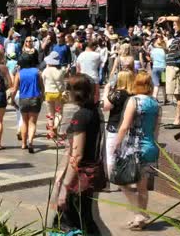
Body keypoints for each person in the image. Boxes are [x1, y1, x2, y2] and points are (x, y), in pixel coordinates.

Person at [52, 73, 107, 236]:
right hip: (87, 175)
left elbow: (76, 155)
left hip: (79, 177)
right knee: (85, 218)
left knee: (76, 221)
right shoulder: (93, 111)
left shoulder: (81, 116)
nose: (64, 93)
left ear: (74, 92)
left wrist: (64, 187)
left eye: (67, 89)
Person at [113, 71, 161, 230]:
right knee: (142, 186)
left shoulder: (133, 101)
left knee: (122, 181)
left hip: (134, 147)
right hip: (150, 147)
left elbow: (125, 126)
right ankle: (139, 219)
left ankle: (140, 214)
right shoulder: (156, 104)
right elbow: (156, 130)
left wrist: (116, 144)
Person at [157, 15, 180, 129]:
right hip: (172, 67)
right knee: (178, 93)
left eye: (174, 25)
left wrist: (165, 18)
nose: (174, 26)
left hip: (175, 68)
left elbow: (178, 19)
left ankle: (177, 121)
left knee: (178, 94)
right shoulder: (176, 38)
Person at [102, 70, 134, 178]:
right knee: (125, 154)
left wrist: (106, 91)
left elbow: (106, 107)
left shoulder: (118, 94)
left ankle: (111, 178)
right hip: (130, 128)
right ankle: (125, 176)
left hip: (115, 127)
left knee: (111, 155)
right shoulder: (134, 94)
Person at [11, 53, 44, 153]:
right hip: (35, 98)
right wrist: (42, 98)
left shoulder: (19, 73)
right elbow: (42, 87)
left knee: (24, 122)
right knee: (32, 122)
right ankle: (30, 142)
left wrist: (12, 100)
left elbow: (14, 89)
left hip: (23, 99)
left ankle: (23, 143)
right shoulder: (37, 72)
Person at [42, 51, 67, 140]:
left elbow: (43, 81)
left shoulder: (45, 71)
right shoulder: (61, 71)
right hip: (58, 94)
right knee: (58, 112)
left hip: (48, 93)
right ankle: (56, 125)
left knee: (50, 113)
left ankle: (50, 132)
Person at [150, 34, 169, 104]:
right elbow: (166, 58)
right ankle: (165, 99)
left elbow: (151, 59)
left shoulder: (153, 51)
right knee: (164, 84)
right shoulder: (164, 50)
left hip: (155, 68)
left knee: (156, 84)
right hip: (163, 68)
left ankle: (154, 98)